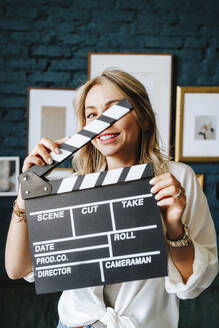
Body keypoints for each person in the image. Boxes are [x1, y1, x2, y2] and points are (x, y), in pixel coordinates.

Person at [5, 70, 218, 328]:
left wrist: (174, 226)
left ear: (144, 118)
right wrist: (25, 192)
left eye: (114, 110)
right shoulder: (73, 187)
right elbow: (18, 269)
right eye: (92, 115)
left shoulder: (176, 180)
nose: (103, 123)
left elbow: (191, 286)